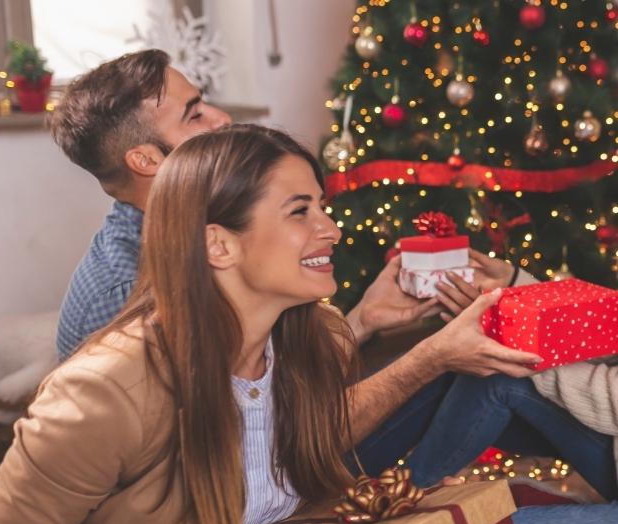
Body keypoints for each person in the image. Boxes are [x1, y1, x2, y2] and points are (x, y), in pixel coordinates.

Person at [0, 125, 473, 524]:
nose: (330, 228)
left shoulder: (314, 343)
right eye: (299, 210)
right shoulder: (102, 392)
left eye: (323, 207)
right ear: (218, 245)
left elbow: (311, 447)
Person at [51, 49, 545, 487]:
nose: (222, 120)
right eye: (194, 115)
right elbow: (254, 455)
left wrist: (363, 320)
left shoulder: (205, 228)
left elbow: (270, 391)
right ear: (146, 160)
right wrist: (428, 358)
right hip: (246, 504)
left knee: (485, 375)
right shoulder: (129, 294)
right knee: (453, 371)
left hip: (278, 462)